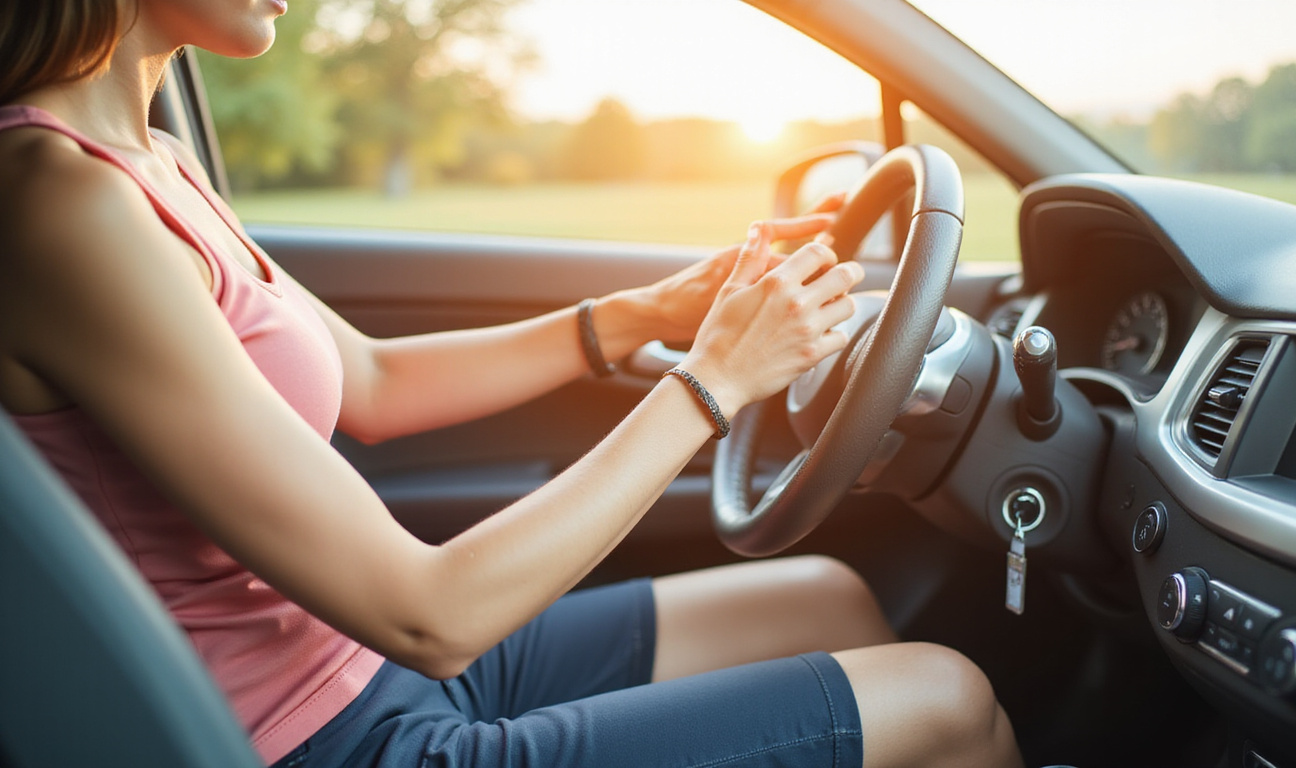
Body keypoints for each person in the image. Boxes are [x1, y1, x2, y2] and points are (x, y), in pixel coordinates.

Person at [0, 1, 1022, 766]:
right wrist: (714, 381)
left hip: (365, 669)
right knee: (950, 701)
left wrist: (649, 314)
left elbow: (371, 379)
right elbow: (426, 614)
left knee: (824, 598)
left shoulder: (154, 162)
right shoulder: (60, 207)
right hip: (323, 740)